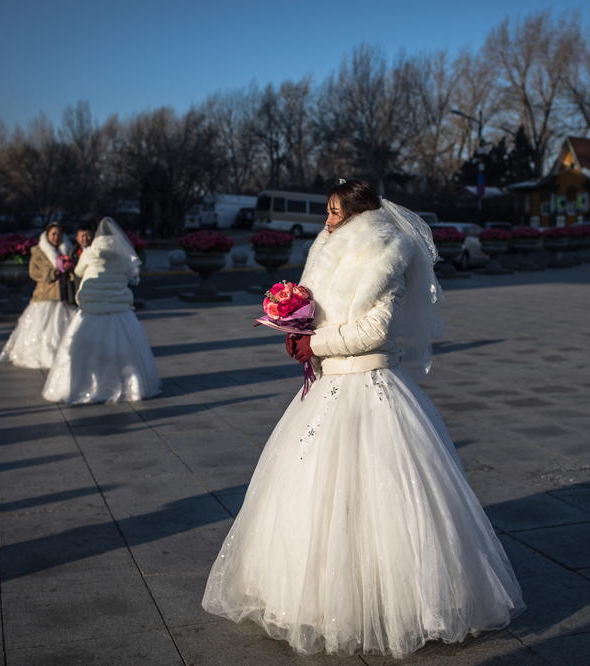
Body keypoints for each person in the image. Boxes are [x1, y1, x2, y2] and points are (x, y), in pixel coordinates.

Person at [201, 180, 524, 657]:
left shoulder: (384, 253)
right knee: (314, 495)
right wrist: (299, 333)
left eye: (335, 212)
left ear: (359, 214)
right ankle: (312, 599)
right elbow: (322, 317)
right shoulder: (329, 252)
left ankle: (394, 603)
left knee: (382, 498)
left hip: (370, 387)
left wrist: (318, 343)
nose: (327, 221)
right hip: (327, 384)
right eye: (327, 212)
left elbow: (376, 329)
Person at [42, 217, 160, 404]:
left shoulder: (90, 252)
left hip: (92, 309)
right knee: (126, 351)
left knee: (85, 350)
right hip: (119, 310)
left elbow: (79, 272)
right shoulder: (122, 254)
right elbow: (132, 276)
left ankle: (87, 387)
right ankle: (131, 387)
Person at [0, 223, 74, 369]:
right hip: (45, 295)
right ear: (47, 235)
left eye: (59, 234)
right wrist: (52, 273)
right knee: (42, 328)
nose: (56, 237)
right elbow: (33, 272)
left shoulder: (68, 250)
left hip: (64, 294)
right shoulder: (38, 251)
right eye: (53, 234)